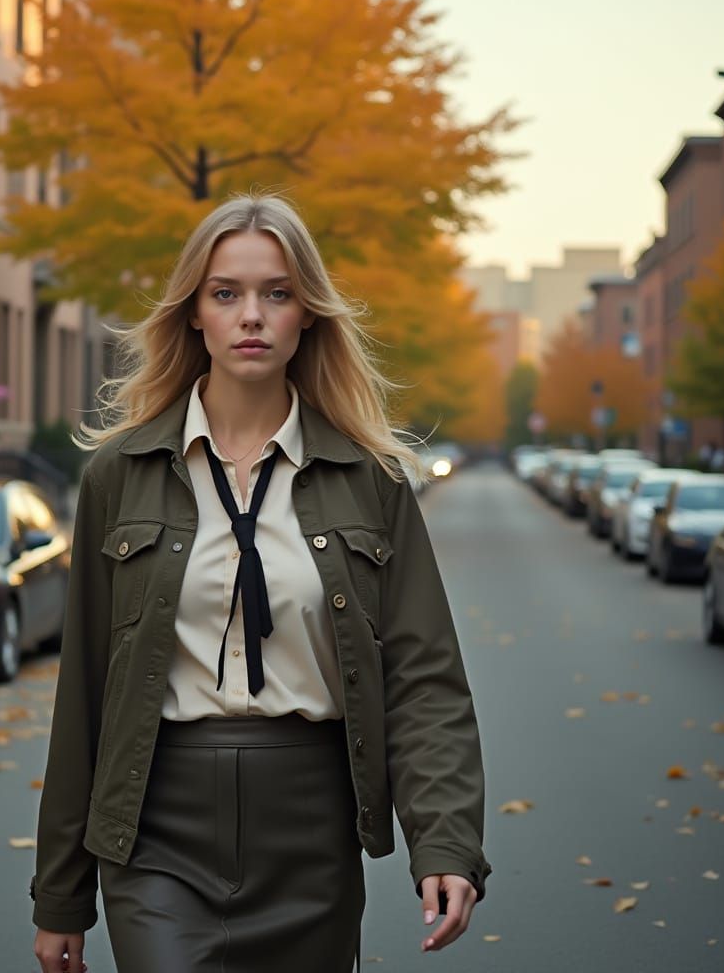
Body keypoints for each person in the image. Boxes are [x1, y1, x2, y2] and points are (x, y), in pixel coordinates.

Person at [30, 194, 492, 973]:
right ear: (194, 315)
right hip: (154, 825)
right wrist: (61, 896)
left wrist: (445, 840)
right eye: (226, 294)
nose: (253, 315)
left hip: (310, 828)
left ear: (307, 313)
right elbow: (84, 693)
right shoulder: (119, 475)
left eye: (277, 293)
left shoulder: (369, 481)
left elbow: (424, 681)